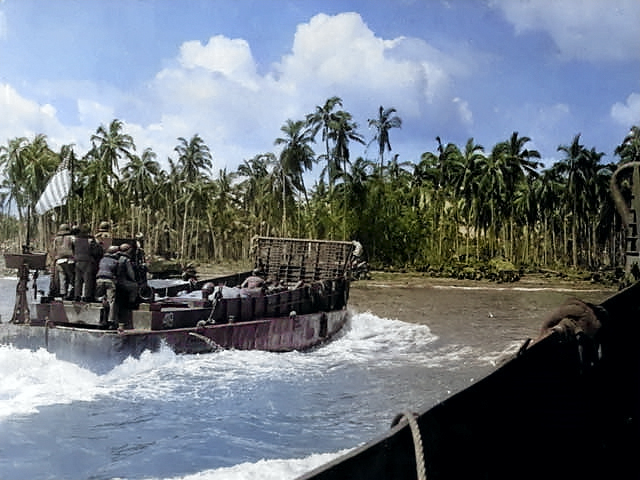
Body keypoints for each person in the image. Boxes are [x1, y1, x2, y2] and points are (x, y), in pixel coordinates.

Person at [72, 224, 103, 301]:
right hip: (87, 260)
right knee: (87, 279)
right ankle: (87, 296)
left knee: (78, 279)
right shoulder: (90, 240)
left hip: (77, 260)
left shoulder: (75, 239)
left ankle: (77, 296)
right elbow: (96, 251)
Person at [95, 245, 120, 327]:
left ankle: (100, 320)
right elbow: (119, 273)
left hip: (99, 280)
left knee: (100, 299)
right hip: (109, 280)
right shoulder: (116, 261)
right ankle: (111, 320)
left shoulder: (102, 259)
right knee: (111, 301)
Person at [51, 223, 75, 299]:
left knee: (62, 278)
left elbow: (54, 249)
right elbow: (75, 247)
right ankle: (70, 292)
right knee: (71, 277)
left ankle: (63, 293)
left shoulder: (56, 239)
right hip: (70, 260)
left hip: (59, 261)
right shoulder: (72, 238)